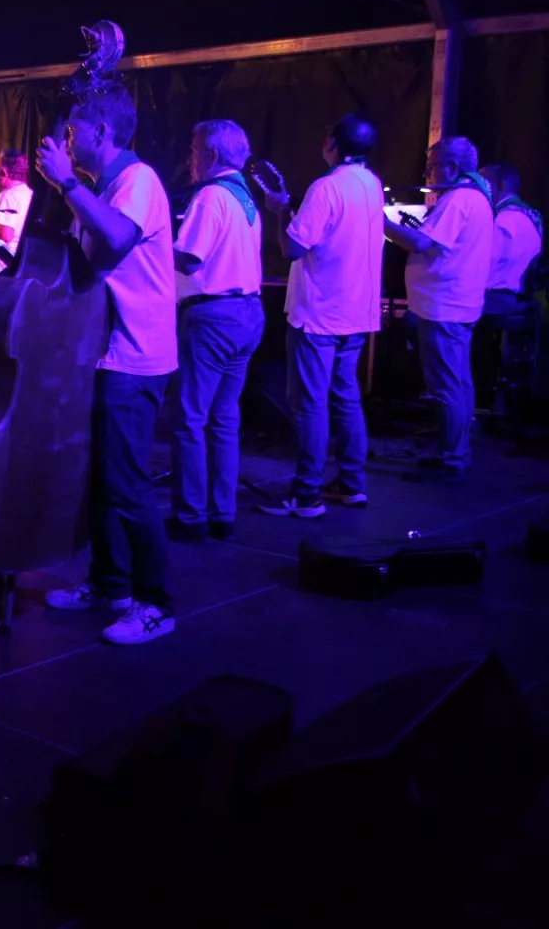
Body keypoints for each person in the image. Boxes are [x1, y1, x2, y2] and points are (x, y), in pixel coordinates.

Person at [36, 82, 178, 646]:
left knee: (128, 486)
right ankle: (110, 584)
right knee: (99, 481)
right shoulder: (107, 185)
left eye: (74, 132)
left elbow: (116, 236)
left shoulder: (138, 181)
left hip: (135, 356)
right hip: (105, 353)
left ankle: (156, 604)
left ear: (103, 131)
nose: (68, 142)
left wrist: (66, 184)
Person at [255, 116, 383, 517]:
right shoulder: (371, 182)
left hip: (320, 313)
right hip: (356, 312)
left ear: (333, 143)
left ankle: (307, 493)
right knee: (345, 398)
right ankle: (350, 483)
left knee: (310, 403)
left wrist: (279, 211)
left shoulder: (327, 187)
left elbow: (292, 248)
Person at [168, 120, 265, 541]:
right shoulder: (247, 199)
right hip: (247, 313)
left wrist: (149, 245)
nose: (190, 159)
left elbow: (189, 259)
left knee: (190, 417)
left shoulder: (211, 196)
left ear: (211, 154)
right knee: (224, 418)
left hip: (212, 317)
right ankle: (222, 513)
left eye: (193, 150)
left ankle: (190, 517)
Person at [384, 137, 494, 482]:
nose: (427, 173)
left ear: (453, 167)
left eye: (431, 166)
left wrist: (378, 219)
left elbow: (420, 242)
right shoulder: (478, 198)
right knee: (458, 383)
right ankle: (455, 452)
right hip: (456, 305)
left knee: (446, 386)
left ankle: (451, 458)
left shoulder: (458, 198)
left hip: (443, 307)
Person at [482, 163, 542, 315]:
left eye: (483, 184)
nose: (479, 191)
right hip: (516, 296)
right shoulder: (529, 214)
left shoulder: (504, 219)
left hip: (498, 297)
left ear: (500, 185)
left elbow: (485, 262)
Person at [0, 150, 34, 249]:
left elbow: (4, 236)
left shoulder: (7, 195)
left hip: (1, 262)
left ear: (3, 173)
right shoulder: (29, 193)